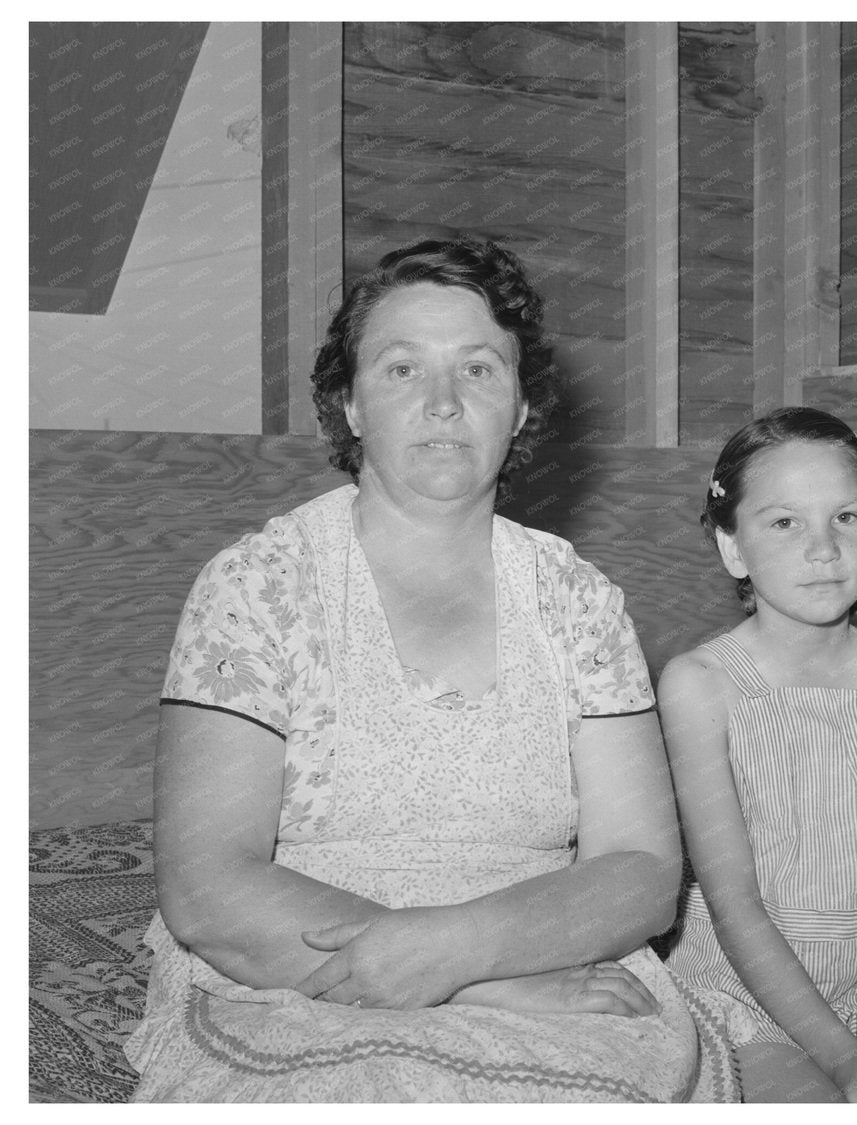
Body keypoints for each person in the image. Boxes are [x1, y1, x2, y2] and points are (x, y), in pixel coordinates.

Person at [125, 238, 735, 1102]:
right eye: (403, 368)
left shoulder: (577, 598)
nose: (444, 402)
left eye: (480, 370)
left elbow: (639, 867)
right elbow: (208, 886)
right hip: (299, 974)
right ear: (351, 403)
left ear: (521, 406)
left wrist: (472, 947)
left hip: (546, 954)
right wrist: (462, 975)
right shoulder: (258, 583)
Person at [661, 408, 857, 1103]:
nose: (824, 547)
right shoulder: (700, 685)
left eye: (847, 517)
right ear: (732, 547)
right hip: (744, 994)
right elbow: (733, 901)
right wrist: (841, 1058)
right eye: (784, 522)